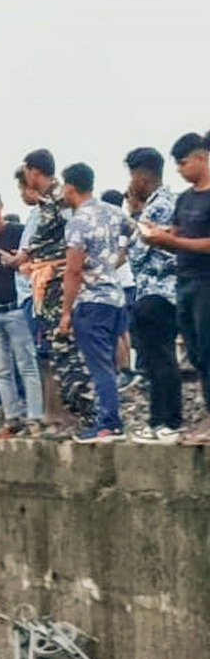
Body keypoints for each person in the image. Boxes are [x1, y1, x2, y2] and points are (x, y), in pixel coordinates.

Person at [6, 149, 95, 429]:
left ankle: (87, 415)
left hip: (62, 282)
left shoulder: (62, 198)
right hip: (49, 285)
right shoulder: (48, 202)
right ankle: (68, 415)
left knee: (68, 350)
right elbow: (45, 238)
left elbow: (77, 236)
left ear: (34, 172)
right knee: (57, 351)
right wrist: (23, 257)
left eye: (26, 172)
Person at [144, 132, 210, 444]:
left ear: (201, 158)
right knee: (195, 353)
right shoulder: (184, 199)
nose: (180, 170)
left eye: (184, 163)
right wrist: (159, 236)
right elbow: (179, 235)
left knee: (208, 351)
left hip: (206, 282)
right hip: (183, 282)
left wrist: (171, 241)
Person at [59, 163, 131, 442]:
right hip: (115, 298)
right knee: (110, 364)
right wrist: (117, 258)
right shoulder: (112, 212)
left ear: (70, 187)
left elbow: (73, 270)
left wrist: (66, 312)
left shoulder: (77, 221)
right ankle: (111, 421)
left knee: (99, 366)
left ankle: (108, 424)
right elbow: (136, 232)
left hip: (91, 302)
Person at [122, 147, 182, 443]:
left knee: (159, 359)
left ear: (141, 176)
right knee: (159, 359)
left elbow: (137, 254)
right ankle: (162, 421)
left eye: (132, 176)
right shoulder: (165, 203)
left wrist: (134, 215)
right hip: (164, 293)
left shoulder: (158, 206)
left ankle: (166, 422)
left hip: (157, 293)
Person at [0, 188, 44, 437]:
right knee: (2, 370)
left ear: (1, 205)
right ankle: (12, 417)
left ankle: (34, 417)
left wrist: (20, 263)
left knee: (27, 365)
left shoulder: (17, 232)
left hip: (16, 308)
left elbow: (34, 252)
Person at [102, 189, 141, 392]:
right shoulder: (126, 222)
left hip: (117, 282)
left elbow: (121, 255)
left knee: (116, 329)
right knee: (123, 328)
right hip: (128, 282)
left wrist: (103, 269)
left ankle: (123, 370)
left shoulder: (113, 225)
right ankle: (128, 369)